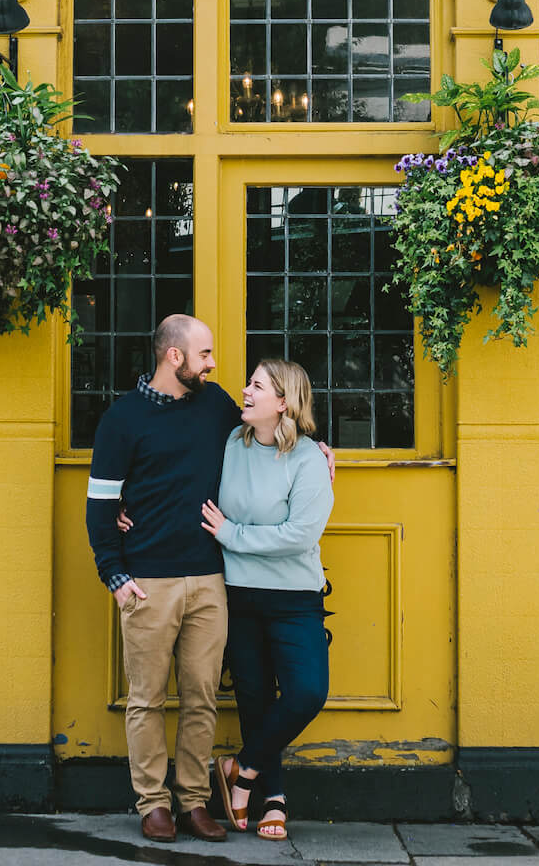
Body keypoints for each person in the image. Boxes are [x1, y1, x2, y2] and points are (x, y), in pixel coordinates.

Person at [84, 314, 239, 844]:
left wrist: (318, 447)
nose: (213, 364)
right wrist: (115, 576)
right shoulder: (123, 418)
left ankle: (195, 802)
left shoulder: (216, 405)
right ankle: (154, 804)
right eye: (206, 355)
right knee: (146, 699)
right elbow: (101, 504)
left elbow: (267, 427)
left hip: (209, 578)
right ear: (175, 357)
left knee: (202, 697)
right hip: (147, 581)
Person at [204, 358, 333, 842]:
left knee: (305, 692)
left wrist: (233, 535)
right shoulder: (231, 445)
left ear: (284, 402)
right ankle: (270, 797)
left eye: (257, 385)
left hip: (295, 596)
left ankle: (240, 766)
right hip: (238, 594)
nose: (246, 390)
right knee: (255, 699)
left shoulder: (308, 460)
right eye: (248, 383)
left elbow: (300, 536)